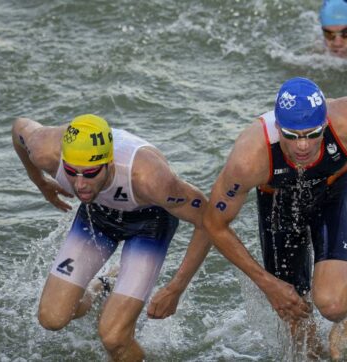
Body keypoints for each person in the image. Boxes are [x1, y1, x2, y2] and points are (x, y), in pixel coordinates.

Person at [202, 64, 347, 359]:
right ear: (277, 128)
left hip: (332, 190)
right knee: (297, 322)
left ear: (325, 124)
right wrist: (268, 284)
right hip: (278, 203)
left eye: (312, 134)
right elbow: (214, 223)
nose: (302, 146)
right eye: (292, 135)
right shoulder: (249, 158)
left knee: (333, 305)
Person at [11, 114, 211, 361]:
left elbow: (208, 219)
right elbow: (19, 127)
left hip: (148, 224)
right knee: (52, 318)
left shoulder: (149, 178)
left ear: (109, 163)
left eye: (90, 173)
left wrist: (176, 288)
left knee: (113, 337)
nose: (80, 185)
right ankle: (103, 285)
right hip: (98, 214)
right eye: (72, 173)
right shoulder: (45, 150)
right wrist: (40, 181)